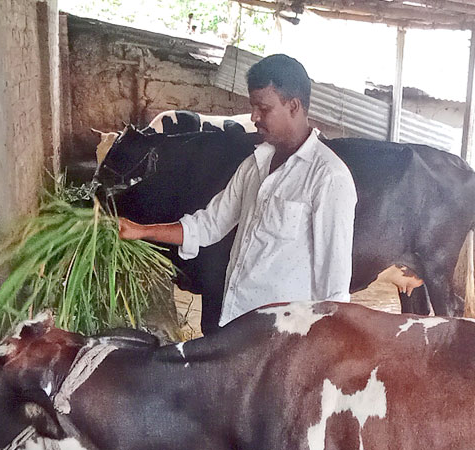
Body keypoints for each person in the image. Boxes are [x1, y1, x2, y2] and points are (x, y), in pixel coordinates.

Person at [118, 54, 358, 328]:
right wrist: (139, 230)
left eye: (263, 108)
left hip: (283, 337)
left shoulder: (328, 177)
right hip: (236, 321)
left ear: (293, 106)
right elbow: (208, 225)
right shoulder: (255, 164)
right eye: (253, 106)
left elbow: (335, 288)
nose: (254, 117)